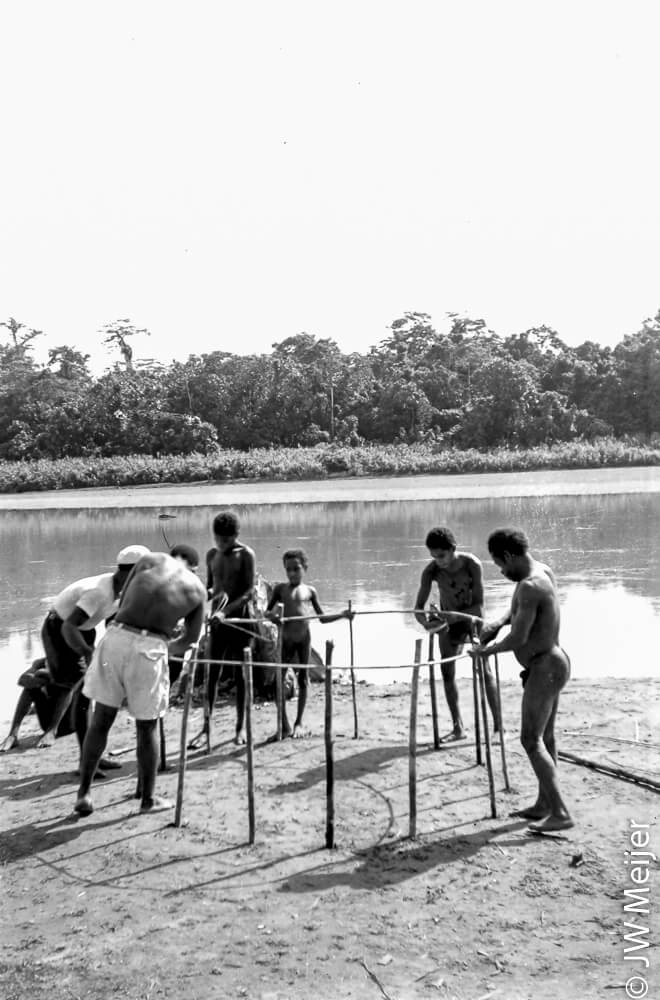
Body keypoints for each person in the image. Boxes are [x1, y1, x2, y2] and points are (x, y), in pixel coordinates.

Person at [73, 550, 206, 816]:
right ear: (194, 567)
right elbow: (190, 640)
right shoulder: (198, 590)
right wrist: (163, 647)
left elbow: (123, 600)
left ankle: (84, 793)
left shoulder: (149, 559)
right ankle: (148, 799)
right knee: (147, 727)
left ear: (172, 556)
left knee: (101, 720)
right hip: (152, 646)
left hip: (117, 635)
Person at [0, 545, 150, 766]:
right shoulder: (99, 591)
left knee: (80, 686)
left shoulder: (123, 590)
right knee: (77, 685)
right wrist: (86, 652)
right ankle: (82, 754)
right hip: (59, 627)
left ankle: (87, 755)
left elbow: (112, 621)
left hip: (84, 629)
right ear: (130, 572)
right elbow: (68, 628)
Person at [472, 528, 573, 833]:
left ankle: (560, 812)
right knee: (547, 738)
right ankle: (544, 804)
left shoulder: (531, 585)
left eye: (500, 565)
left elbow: (519, 637)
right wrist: (497, 623)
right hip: (551, 663)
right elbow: (516, 614)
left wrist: (485, 650)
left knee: (530, 739)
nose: (501, 571)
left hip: (546, 668)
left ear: (509, 556)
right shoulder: (542, 572)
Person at [414, 526, 501, 742]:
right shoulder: (431, 571)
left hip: (472, 621)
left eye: (441, 555)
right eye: (433, 556)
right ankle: (458, 728)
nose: (438, 561)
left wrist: (455, 616)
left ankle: (499, 727)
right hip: (447, 623)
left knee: (485, 670)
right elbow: (418, 608)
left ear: (453, 548)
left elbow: (480, 606)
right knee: (447, 672)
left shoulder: (472, 564)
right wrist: (427, 623)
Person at [266, 549, 352, 739]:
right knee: (277, 682)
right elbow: (267, 612)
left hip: (304, 639)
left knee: (303, 678)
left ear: (304, 568)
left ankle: (299, 723)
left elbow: (321, 618)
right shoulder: (280, 589)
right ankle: (284, 725)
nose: (291, 573)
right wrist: (273, 618)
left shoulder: (310, 591)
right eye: (288, 569)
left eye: (296, 569)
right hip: (285, 639)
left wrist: (342, 615)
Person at [189, 510, 257, 748]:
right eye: (218, 539)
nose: (221, 544)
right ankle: (206, 729)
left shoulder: (246, 554)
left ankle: (240, 728)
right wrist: (197, 595)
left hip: (240, 622)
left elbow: (249, 592)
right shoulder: (211, 555)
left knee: (241, 675)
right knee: (212, 675)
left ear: (236, 535)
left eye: (226, 540)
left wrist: (225, 612)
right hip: (217, 624)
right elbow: (211, 588)